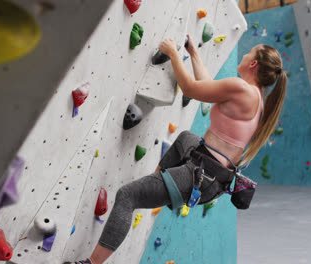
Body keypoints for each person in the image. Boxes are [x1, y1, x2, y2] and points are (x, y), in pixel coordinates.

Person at [64, 34, 287, 264]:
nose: (246, 54)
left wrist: (172, 53)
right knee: (186, 138)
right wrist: (193, 54)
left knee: (127, 196)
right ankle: (156, 184)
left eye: (250, 52)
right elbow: (207, 89)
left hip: (201, 175)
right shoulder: (256, 98)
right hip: (212, 176)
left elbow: (190, 89)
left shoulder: (242, 88)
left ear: (253, 64)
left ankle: (91, 263)